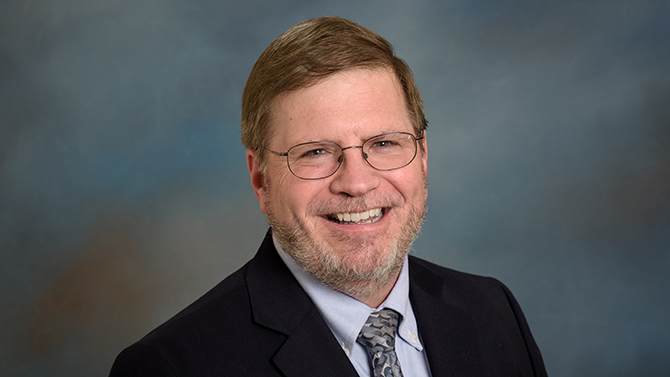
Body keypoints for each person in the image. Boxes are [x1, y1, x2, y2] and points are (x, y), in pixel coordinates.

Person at [109, 16, 547, 377]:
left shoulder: (492, 311)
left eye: (383, 144)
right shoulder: (171, 367)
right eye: (316, 152)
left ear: (423, 155)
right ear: (261, 178)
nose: (356, 183)